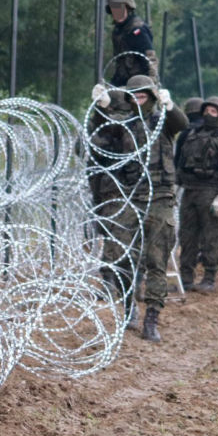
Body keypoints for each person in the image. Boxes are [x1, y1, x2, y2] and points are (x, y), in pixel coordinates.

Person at [123, 75, 188, 342]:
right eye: (133, 94)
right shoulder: (124, 123)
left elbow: (181, 124)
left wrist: (169, 105)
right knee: (125, 259)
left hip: (160, 197)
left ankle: (152, 318)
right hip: (133, 196)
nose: (138, 97)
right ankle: (129, 310)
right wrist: (101, 110)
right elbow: (95, 142)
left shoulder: (161, 121)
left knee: (157, 261)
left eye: (142, 93)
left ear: (150, 94)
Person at [87, 85, 140, 327]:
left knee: (122, 245)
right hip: (104, 188)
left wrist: (104, 108)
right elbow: (90, 147)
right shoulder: (100, 126)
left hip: (124, 191)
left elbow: (119, 128)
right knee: (110, 238)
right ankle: (110, 281)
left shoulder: (133, 124)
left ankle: (126, 294)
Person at [176, 96, 218, 293]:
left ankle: (209, 276)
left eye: (213, 111)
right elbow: (181, 163)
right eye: (206, 110)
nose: (207, 114)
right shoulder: (192, 135)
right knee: (187, 236)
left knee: (211, 236)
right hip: (190, 190)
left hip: (211, 191)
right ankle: (186, 277)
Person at [105, 0, 158, 87]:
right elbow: (120, 62)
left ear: (128, 8)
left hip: (139, 81)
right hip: (122, 79)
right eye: (114, 8)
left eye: (119, 8)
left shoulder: (137, 29)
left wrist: (151, 83)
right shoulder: (118, 31)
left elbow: (150, 59)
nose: (117, 12)